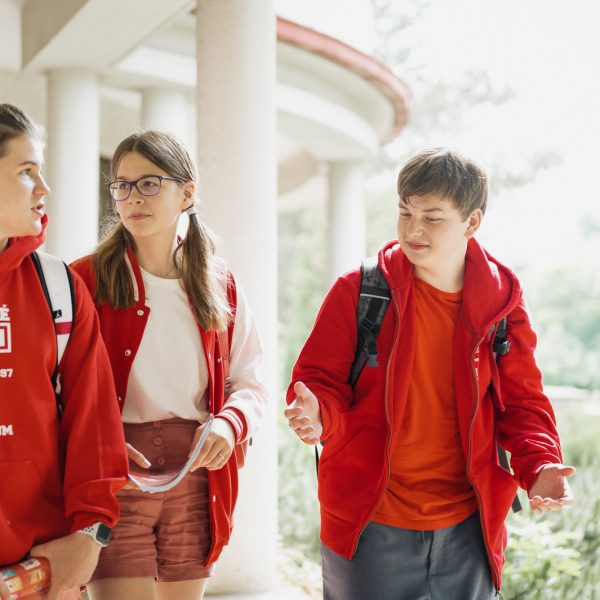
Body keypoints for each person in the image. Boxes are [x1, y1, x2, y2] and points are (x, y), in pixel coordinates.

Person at [285, 148, 575, 600]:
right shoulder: (359, 291)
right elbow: (320, 381)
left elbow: (522, 403)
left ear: (471, 222)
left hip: (469, 526)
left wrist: (538, 464)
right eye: (405, 212)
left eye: (433, 218)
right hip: (368, 521)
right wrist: (318, 414)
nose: (413, 229)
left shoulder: (502, 305)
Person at [71, 130, 267, 600]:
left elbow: (250, 381)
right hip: (116, 477)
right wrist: (100, 442)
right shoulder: (84, 280)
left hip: (199, 478)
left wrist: (230, 424)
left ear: (188, 192)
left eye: (149, 184)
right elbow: (57, 388)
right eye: (122, 185)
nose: (132, 197)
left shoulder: (219, 283)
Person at [0, 105, 128, 600]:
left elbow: (93, 423)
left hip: (41, 572)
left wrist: (91, 533)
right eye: (26, 171)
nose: (43, 187)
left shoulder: (58, 287)